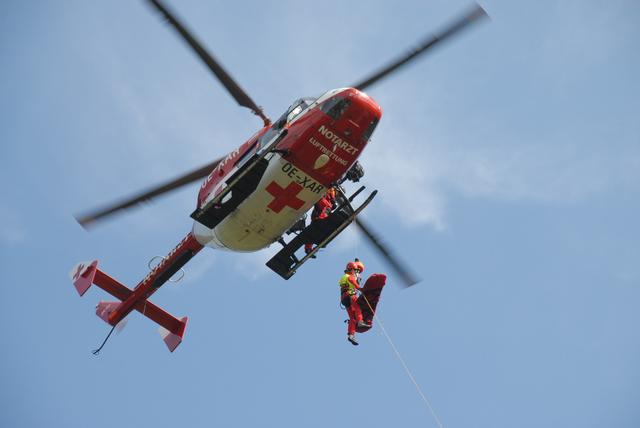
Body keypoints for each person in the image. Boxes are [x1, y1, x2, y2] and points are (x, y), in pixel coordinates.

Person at [339, 260, 370, 346]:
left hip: (344, 299)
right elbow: (352, 280)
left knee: (352, 318)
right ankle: (360, 322)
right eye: (354, 270)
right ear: (351, 269)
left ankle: (351, 335)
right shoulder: (349, 276)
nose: (355, 272)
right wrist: (360, 288)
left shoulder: (343, 276)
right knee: (358, 308)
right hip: (350, 295)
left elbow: (351, 280)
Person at [304, 188, 337, 256]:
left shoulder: (330, 199)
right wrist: (333, 200)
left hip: (317, 212)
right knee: (328, 207)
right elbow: (331, 190)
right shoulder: (332, 190)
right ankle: (320, 219)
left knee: (313, 231)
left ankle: (308, 248)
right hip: (321, 202)